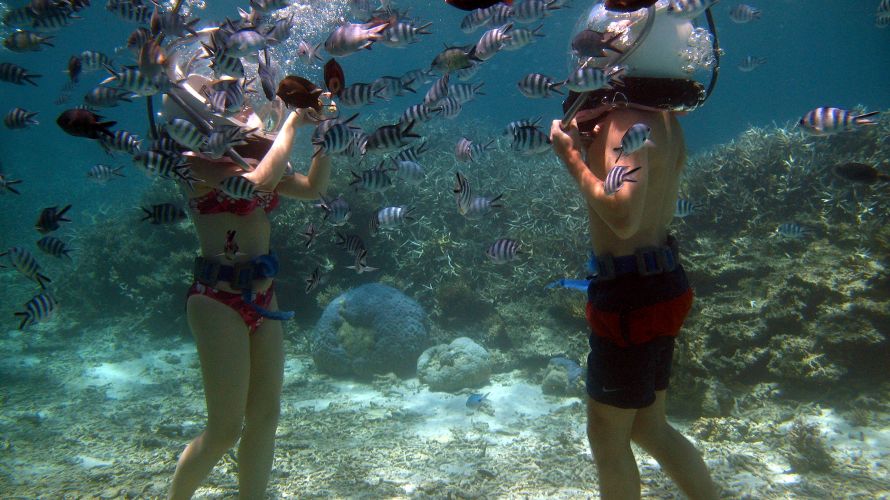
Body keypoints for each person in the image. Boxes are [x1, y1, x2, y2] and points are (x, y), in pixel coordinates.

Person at [550, 1, 720, 498]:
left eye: (589, 57)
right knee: (649, 426)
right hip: (661, 285)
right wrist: (589, 147)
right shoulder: (664, 120)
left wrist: (571, 160)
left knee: (606, 435)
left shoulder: (625, 122)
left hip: (629, 297)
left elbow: (622, 217)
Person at [163, 73, 333, 499]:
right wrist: (293, 123)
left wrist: (325, 135)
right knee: (224, 429)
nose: (244, 104)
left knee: (265, 417)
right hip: (216, 299)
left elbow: (313, 189)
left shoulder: (253, 158)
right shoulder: (196, 161)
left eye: (242, 97)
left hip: (263, 297)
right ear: (204, 108)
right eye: (230, 98)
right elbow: (256, 186)